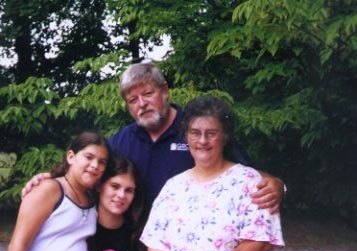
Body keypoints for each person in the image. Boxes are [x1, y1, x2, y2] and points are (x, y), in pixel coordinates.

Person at [22, 63, 284, 215]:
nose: (142, 104)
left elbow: (248, 172)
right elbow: (87, 176)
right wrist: (50, 180)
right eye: (132, 100)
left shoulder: (197, 131)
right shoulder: (120, 141)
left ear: (165, 91)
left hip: (192, 243)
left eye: (147, 93)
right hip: (136, 247)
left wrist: (277, 184)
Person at [140, 96, 285, 251]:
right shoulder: (173, 187)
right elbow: (157, 244)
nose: (202, 141)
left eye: (211, 133)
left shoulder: (251, 182)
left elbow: (257, 244)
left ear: (224, 137)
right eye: (195, 132)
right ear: (186, 136)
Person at [5, 132, 112, 251]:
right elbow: (18, 244)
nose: (95, 165)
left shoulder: (92, 198)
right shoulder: (49, 189)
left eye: (102, 162)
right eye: (88, 157)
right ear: (71, 157)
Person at [87, 157, 152, 251]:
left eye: (129, 190)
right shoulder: (81, 229)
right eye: (115, 186)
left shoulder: (139, 237)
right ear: (99, 186)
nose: (121, 195)